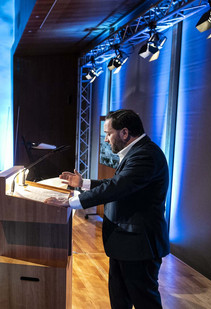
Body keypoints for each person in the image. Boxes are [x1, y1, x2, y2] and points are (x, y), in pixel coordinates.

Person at [46, 109, 169, 308]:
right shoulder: (138, 152)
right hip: (125, 243)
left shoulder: (146, 155)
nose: (105, 139)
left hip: (139, 245)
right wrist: (83, 183)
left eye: (108, 133)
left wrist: (69, 202)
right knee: (120, 299)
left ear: (125, 133)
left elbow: (117, 187)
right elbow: (118, 184)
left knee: (145, 301)